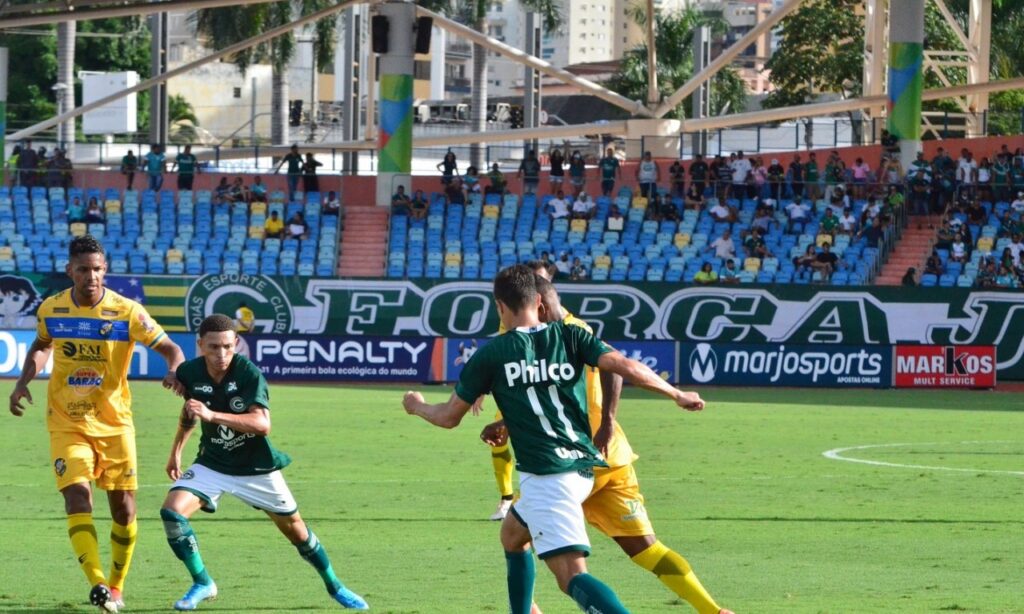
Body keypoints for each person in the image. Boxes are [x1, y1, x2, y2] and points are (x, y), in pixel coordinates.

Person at [402, 265, 711, 614]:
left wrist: (417, 406)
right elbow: (623, 365)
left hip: (549, 477)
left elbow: (447, 417)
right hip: (583, 466)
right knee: (512, 536)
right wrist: (675, 393)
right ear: (538, 300)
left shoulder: (491, 354)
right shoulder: (570, 336)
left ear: (500, 306)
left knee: (570, 578)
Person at [478, 279, 731, 614]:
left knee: (559, 567)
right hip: (613, 459)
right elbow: (554, 395)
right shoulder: (566, 331)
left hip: (571, 461)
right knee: (645, 549)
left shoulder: (565, 332)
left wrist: (608, 421)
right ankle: (713, 610)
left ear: (539, 303)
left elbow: (615, 370)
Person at [8, 235, 186, 613]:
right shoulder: (52, 309)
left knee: (123, 508)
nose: (92, 276)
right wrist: (23, 381)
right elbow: (42, 345)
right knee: (77, 496)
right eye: (84, 269)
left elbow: (171, 347)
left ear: (105, 270)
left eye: (98, 269)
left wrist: (173, 369)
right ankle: (98, 584)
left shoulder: (127, 311)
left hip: (114, 422)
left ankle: (117, 585)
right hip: (66, 421)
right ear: (70, 270)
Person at [159, 314, 368, 611]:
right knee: (172, 514)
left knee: (298, 533)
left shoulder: (249, 374)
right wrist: (176, 451)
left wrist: (213, 415)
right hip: (213, 462)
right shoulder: (190, 372)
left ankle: (335, 586)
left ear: (236, 344)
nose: (221, 355)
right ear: (200, 345)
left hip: (256, 467)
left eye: (228, 347)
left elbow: (262, 423)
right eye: (214, 347)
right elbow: (190, 410)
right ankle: (203, 582)